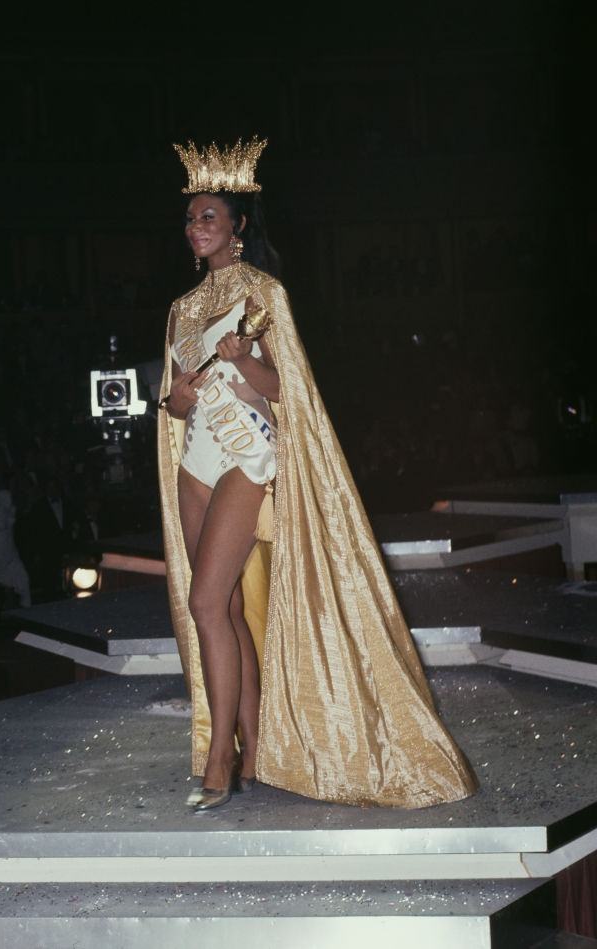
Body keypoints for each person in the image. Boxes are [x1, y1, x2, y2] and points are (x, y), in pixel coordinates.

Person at [158, 137, 477, 811]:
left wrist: (244, 362)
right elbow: (174, 397)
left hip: (247, 458)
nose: (197, 227)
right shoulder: (182, 308)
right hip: (196, 462)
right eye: (190, 217)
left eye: (209, 215)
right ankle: (249, 741)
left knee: (205, 604)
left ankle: (219, 757)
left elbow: (293, 392)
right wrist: (176, 400)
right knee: (230, 610)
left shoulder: (265, 293)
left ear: (239, 226)